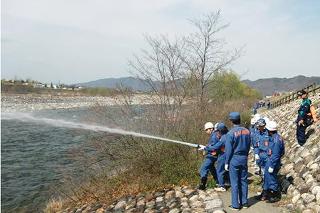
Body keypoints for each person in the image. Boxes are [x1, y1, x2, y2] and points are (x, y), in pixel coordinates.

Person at [225, 112, 251, 210]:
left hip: (234, 159)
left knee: (234, 182)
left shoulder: (230, 133)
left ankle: (235, 205)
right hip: (244, 157)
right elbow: (249, 145)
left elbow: (228, 150)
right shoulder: (247, 131)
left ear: (231, 121)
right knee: (244, 180)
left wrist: (226, 162)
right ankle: (244, 203)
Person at [263, 120, 285, 203]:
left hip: (273, 162)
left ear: (270, 130)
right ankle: (267, 193)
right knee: (267, 177)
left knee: (272, 178)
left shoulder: (276, 140)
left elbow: (276, 154)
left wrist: (272, 165)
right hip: (270, 160)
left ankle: (274, 195)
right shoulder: (275, 137)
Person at [205, 122, 229, 192]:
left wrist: (206, 148)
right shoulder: (228, 135)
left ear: (220, 131)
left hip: (223, 155)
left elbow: (216, 147)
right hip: (228, 154)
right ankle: (227, 182)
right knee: (226, 170)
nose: (216, 133)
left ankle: (222, 186)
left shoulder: (223, 138)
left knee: (220, 170)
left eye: (217, 131)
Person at [197, 122, 220, 190]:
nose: (206, 131)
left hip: (212, 156)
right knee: (212, 168)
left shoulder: (214, 136)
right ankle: (218, 182)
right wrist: (206, 147)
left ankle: (202, 185)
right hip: (213, 155)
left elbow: (214, 147)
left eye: (206, 130)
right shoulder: (214, 135)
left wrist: (205, 148)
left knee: (203, 169)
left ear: (210, 129)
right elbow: (211, 145)